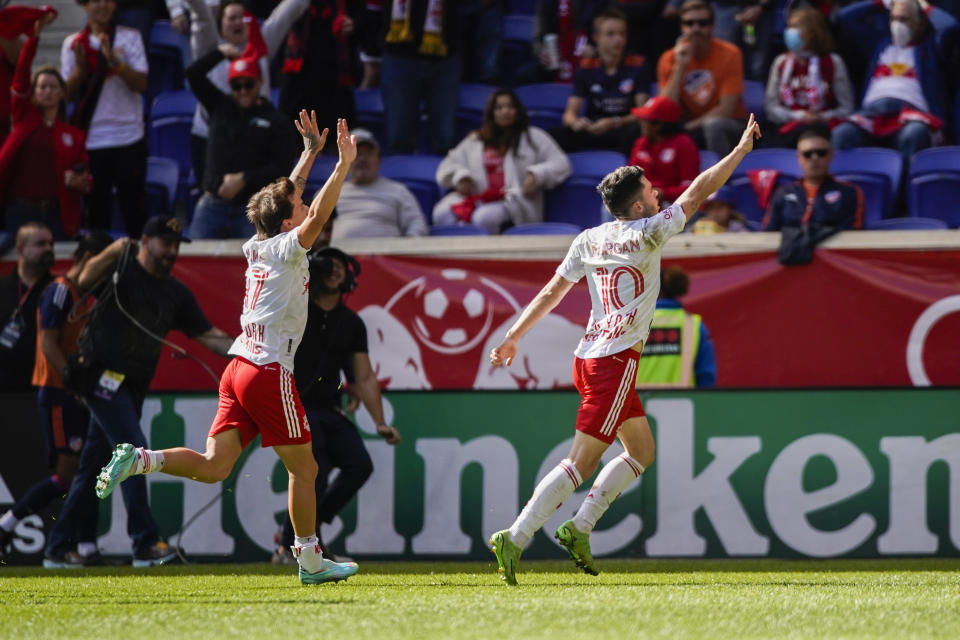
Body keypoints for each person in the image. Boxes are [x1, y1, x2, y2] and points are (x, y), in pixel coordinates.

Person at [486, 114, 761, 586]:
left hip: (590, 356)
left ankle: (579, 526)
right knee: (581, 462)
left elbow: (553, 291)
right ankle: (517, 534)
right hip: (614, 360)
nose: (659, 196)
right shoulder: (649, 231)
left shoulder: (589, 239)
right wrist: (739, 152)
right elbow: (698, 192)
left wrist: (514, 334)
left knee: (641, 449)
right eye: (653, 192)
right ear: (637, 205)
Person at [93, 114, 362, 585]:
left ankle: (141, 459)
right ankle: (310, 559)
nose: (303, 203)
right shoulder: (287, 249)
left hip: (237, 367)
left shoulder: (257, 244)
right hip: (266, 370)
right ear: (286, 220)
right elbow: (316, 213)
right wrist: (341, 166)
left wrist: (310, 154)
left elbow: (289, 200)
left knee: (216, 467)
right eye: (296, 203)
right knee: (307, 467)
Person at [43, 216, 234, 568]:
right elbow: (80, 281)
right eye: (166, 243)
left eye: (176, 246)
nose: (172, 252)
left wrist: (245, 349)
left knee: (89, 470)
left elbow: (207, 334)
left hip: (131, 388)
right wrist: (114, 251)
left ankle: (57, 546)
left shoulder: (175, 292)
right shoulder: (120, 271)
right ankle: (144, 542)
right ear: (144, 241)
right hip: (99, 379)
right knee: (132, 451)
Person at [273, 246, 402, 563]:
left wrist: (380, 422)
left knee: (359, 465)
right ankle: (297, 546)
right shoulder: (296, 309)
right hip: (296, 407)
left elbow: (365, 376)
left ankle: (305, 531)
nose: (334, 270)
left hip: (329, 408)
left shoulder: (352, 323)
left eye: (340, 266)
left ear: (350, 276)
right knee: (316, 471)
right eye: (326, 265)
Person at [0, 231, 112, 564]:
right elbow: (47, 344)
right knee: (68, 475)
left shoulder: (79, 296)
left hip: (71, 393)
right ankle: (8, 525)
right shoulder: (61, 292)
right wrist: (72, 381)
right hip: (57, 392)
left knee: (89, 471)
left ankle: (88, 547)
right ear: (88, 260)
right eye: (104, 266)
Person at [185, 0, 309, 186]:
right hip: (210, 138)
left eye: (242, 17)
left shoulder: (262, 44)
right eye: (232, 18)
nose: (238, 22)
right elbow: (201, 15)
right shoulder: (210, 47)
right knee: (213, 194)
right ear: (220, 24)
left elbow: (285, 14)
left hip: (255, 137)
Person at [185, 44, 299, 239]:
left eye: (249, 84)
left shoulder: (277, 121)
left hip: (253, 210)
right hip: (212, 204)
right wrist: (220, 52)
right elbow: (193, 73)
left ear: (260, 81)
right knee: (194, 261)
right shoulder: (220, 106)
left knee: (255, 266)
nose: (243, 91)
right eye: (237, 86)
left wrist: (244, 178)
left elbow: (282, 168)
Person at [831, 0, 955, 173]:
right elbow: (846, 18)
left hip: (912, 115)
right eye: (894, 18)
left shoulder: (932, 47)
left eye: (904, 19)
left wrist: (922, 4)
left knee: (914, 134)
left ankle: (903, 198)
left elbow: (950, 26)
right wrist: (882, 3)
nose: (897, 25)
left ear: (920, 23)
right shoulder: (880, 45)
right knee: (843, 133)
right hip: (872, 115)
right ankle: (845, 194)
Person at [0, 14, 92, 244]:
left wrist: (81, 182)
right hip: (20, 212)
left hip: (56, 213)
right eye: (42, 87)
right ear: (34, 93)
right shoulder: (24, 119)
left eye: (53, 87)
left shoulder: (73, 135)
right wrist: (34, 37)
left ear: (62, 93)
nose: (47, 91)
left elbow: (86, 179)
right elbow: (20, 78)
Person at [61, 0, 149, 236]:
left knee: (135, 215)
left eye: (107, 0)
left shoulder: (130, 37)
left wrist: (116, 63)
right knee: (96, 218)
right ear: (84, 5)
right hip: (93, 141)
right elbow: (64, 95)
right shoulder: (73, 44)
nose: (102, 5)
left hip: (129, 138)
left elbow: (141, 84)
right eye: (95, 0)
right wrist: (80, 71)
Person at [433, 88, 572, 233]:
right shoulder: (476, 139)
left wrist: (538, 175)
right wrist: (460, 176)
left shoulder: (533, 136)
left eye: (510, 106)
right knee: (441, 213)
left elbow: (561, 163)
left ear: (518, 110)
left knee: (483, 218)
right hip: (477, 196)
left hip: (513, 199)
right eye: (499, 108)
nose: (505, 111)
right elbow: (447, 165)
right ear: (491, 113)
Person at [549, 8, 651, 153]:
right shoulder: (586, 67)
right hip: (595, 128)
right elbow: (569, 114)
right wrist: (576, 122)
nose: (618, 39)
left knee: (637, 133)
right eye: (611, 34)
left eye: (622, 34)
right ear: (596, 37)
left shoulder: (638, 64)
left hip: (622, 129)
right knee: (555, 135)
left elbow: (642, 113)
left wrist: (615, 122)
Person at [657, 0, 746, 156]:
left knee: (713, 126)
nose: (695, 29)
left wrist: (690, 127)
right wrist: (680, 66)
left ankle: (720, 178)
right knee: (657, 127)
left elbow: (727, 108)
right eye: (689, 23)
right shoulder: (669, 58)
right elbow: (665, 110)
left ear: (712, 26)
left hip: (729, 124)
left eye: (702, 23)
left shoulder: (730, 53)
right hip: (689, 124)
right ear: (681, 27)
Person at [763, 7, 855, 148]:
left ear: (812, 33)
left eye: (796, 27)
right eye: (789, 27)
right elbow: (771, 107)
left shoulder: (833, 62)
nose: (790, 32)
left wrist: (823, 116)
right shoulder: (781, 62)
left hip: (823, 127)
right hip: (788, 126)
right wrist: (798, 116)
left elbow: (847, 108)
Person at [379, 0, 462, 154]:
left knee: (444, 139)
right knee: (399, 137)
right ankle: (401, 175)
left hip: (445, 56)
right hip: (399, 55)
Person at [331, 128, 427, 240]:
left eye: (368, 154)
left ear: (379, 160)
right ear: (344, 160)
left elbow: (417, 224)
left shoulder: (398, 191)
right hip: (337, 255)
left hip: (387, 255)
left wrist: (406, 248)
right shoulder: (330, 192)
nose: (362, 159)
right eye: (356, 154)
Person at [763, 128, 864, 232]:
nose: (814, 158)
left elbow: (853, 236)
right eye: (807, 154)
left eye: (821, 153)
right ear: (799, 158)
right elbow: (768, 234)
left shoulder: (850, 192)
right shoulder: (782, 193)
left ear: (831, 155)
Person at [635, 265, 716, 388]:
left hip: (638, 403)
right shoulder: (694, 326)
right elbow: (706, 376)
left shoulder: (637, 324)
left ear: (655, 289)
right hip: (684, 404)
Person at [0, 222, 54, 393]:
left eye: (51, 244)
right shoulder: (2, 287)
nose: (49, 248)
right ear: (21, 249)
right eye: (41, 244)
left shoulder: (58, 289)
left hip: (43, 389)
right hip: (5, 388)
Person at [627, 95, 699, 204]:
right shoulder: (641, 143)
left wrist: (663, 193)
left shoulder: (684, 143)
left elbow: (691, 188)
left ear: (658, 125)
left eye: (645, 120)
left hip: (673, 203)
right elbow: (631, 179)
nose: (641, 123)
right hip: (644, 202)